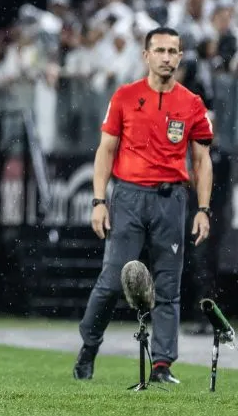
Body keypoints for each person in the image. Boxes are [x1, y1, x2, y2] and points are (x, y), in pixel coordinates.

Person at [73, 27, 213, 384]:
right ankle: (89, 347)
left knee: (168, 286)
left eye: (173, 51)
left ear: (180, 57)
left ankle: (162, 365)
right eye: (160, 50)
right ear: (146, 55)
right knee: (112, 280)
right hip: (130, 197)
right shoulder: (124, 97)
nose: (167, 57)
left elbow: (202, 160)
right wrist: (99, 201)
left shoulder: (192, 103)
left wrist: (203, 209)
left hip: (171, 199)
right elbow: (105, 151)